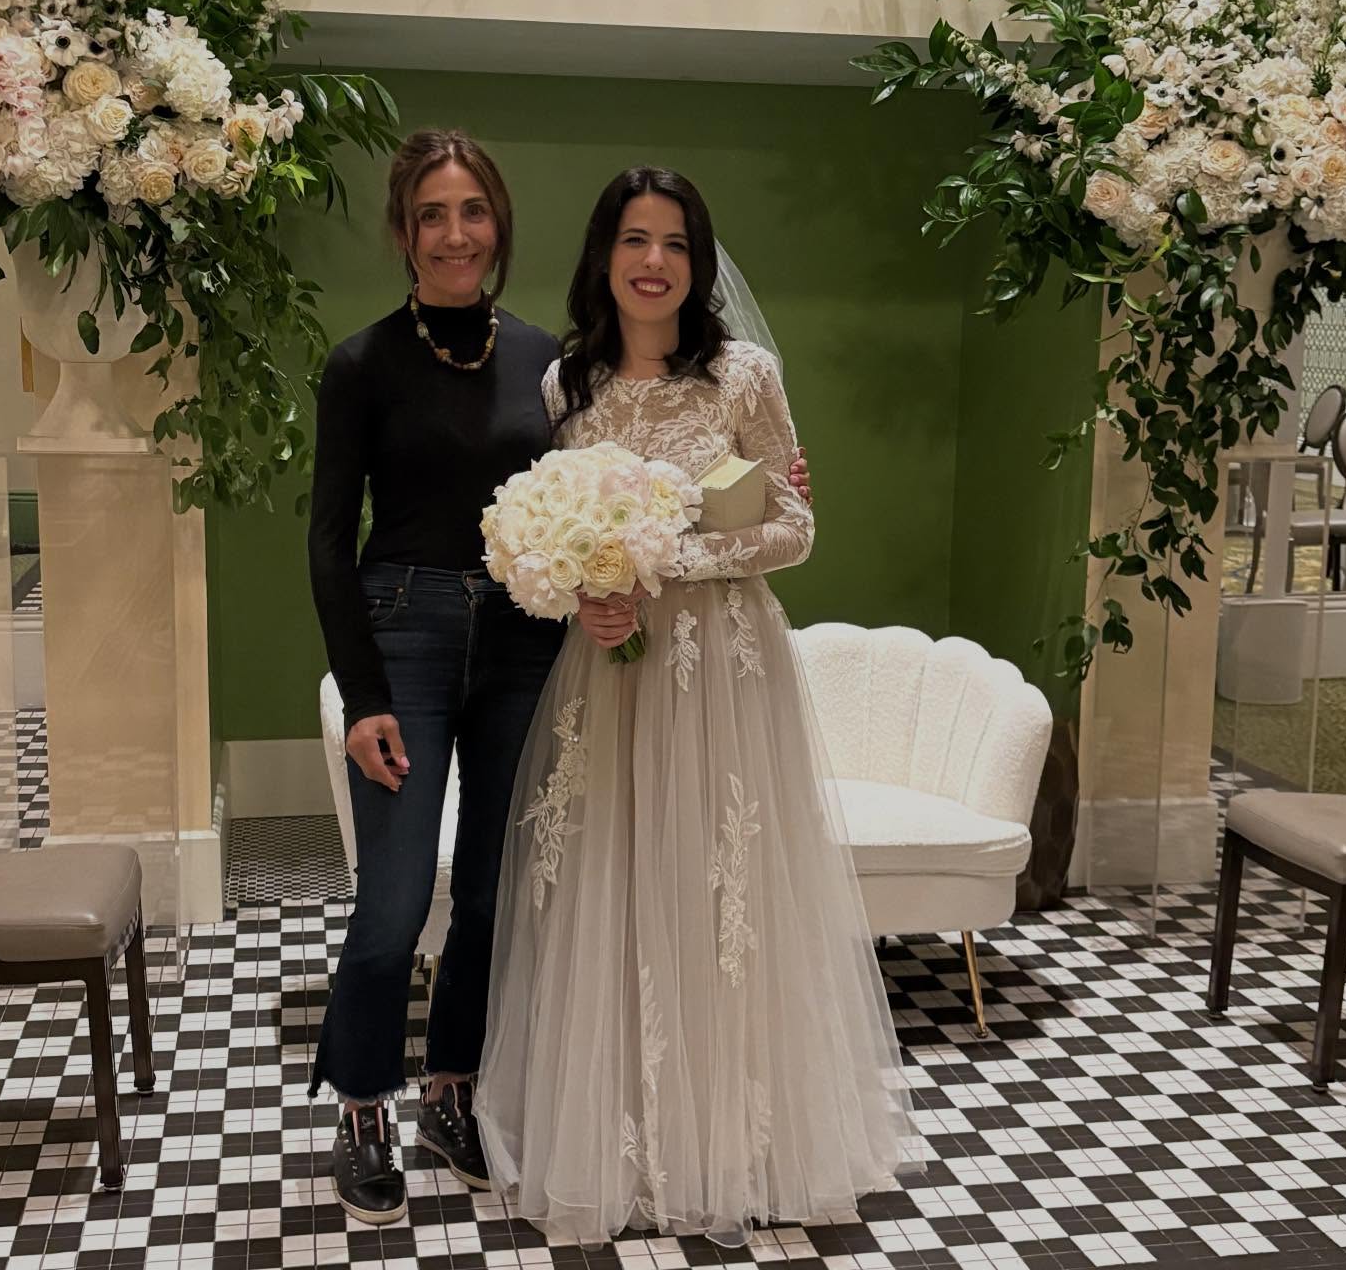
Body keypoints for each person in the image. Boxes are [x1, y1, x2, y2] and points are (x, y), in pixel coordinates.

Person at [307, 131, 811, 1226]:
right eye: (432, 215)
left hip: (530, 639)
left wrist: (689, 533)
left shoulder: (548, 364)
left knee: (496, 888)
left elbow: (630, 504)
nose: (455, 234)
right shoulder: (362, 365)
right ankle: (359, 1108)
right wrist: (362, 695)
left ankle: (452, 1090)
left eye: (473, 212)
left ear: (501, 227)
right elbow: (324, 545)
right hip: (407, 636)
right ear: (404, 232)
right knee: (395, 901)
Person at [475, 166, 920, 1246]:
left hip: (723, 666)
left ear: (700, 260)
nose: (655, 261)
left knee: (721, 882)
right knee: (615, 878)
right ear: (605, 255)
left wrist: (668, 557)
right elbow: (561, 539)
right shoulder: (565, 389)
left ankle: (740, 1138)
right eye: (636, 238)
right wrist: (593, 592)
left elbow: (792, 529)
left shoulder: (742, 377)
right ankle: (623, 1135)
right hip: (614, 670)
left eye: (676, 242)